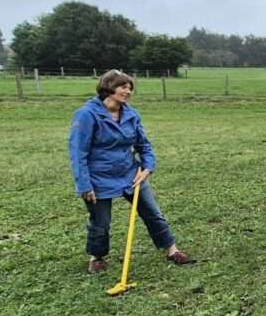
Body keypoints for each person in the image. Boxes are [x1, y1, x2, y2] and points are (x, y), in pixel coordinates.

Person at [69, 70, 194, 272]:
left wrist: (147, 168)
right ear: (108, 88)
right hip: (98, 177)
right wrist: (84, 184)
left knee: (153, 213)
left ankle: (171, 249)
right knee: (100, 222)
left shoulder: (131, 114)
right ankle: (97, 257)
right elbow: (78, 152)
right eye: (123, 87)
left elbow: (144, 146)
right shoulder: (86, 114)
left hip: (130, 173)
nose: (128, 91)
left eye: (130, 88)